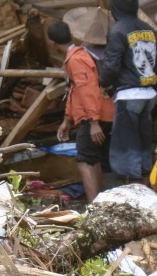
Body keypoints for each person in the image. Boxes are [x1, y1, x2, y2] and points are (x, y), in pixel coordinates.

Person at [100, 0, 157, 182]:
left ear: (114, 6)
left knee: (125, 141)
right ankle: (146, 177)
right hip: (149, 95)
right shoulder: (149, 29)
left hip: (128, 94)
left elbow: (111, 67)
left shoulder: (117, 31)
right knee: (143, 139)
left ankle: (132, 182)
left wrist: (104, 83)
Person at [51, 19, 113, 201]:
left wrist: (93, 121)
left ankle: (95, 206)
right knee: (93, 158)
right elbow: (74, 91)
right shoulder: (79, 55)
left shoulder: (76, 59)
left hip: (94, 115)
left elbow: (87, 89)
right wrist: (67, 119)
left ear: (53, 43)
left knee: (85, 160)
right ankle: (100, 203)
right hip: (101, 112)